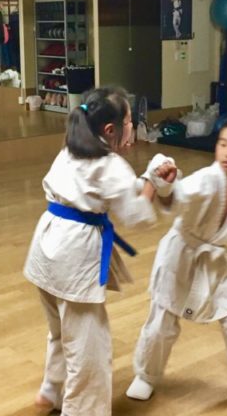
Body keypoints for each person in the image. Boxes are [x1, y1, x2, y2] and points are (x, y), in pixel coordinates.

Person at [23, 87, 177, 416]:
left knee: (61, 329)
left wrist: (145, 180)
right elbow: (136, 216)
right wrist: (152, 182)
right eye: (130, 122)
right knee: (89, 347)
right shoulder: (110, 165)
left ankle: (52, 388)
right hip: (74, 255)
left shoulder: (72, 148)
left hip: (46, 248)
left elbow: (107, 190)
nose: (132, 128)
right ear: (110, 129)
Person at [126, 115, 227, 411]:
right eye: (223, 144)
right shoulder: (205, 179)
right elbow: (175, 199)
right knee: (162, 321)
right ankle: (147, 374)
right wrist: (165, 184)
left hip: (215, 259)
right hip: (181, 254)